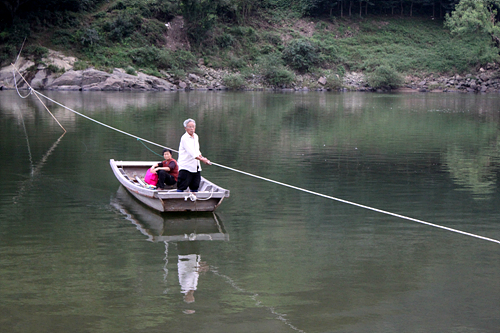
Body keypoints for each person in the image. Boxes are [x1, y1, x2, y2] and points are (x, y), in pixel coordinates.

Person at [176, 118, 211, 192]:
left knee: (195, 186)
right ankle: (177, 200)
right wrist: (202, 160)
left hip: (195, 166)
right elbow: (192, 153)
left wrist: (203, 158)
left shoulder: (196, 136)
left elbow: (197, 151)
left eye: (193, 126)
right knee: (182, 186)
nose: (192, 129)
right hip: (186, 166)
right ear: (185, 128)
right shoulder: (184, 138)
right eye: (189, 127)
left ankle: (195, 201)